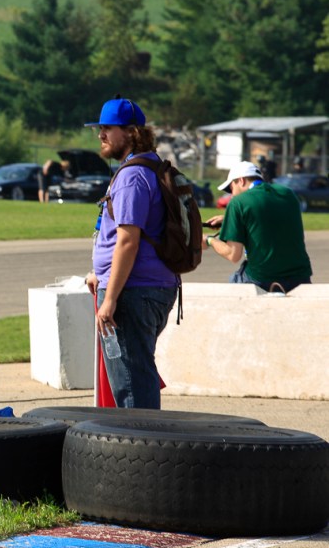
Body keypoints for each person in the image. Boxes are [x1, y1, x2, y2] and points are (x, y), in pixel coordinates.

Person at [83, 97, 178, 409]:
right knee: (136, 374)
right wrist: (100, 273)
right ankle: (144, 433)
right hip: (148, 286)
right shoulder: (151, 166)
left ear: (131, 132)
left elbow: (128, 241)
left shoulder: (132, 176)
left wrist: (110, 298)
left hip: (132, 292)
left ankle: (143, 437)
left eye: (108, 128)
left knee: (132, 385)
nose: (101, 134)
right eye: (99, 128)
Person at [203, 161, 312, 293]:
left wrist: (209, 240)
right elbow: (267, 214)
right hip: (301, 277)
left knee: (234, 280)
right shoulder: (288, 194)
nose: (232, 194)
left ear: (241, 181)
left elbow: (233, 254)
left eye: (231, 188)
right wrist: (229, 220)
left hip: (263, 279)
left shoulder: (237, 202)